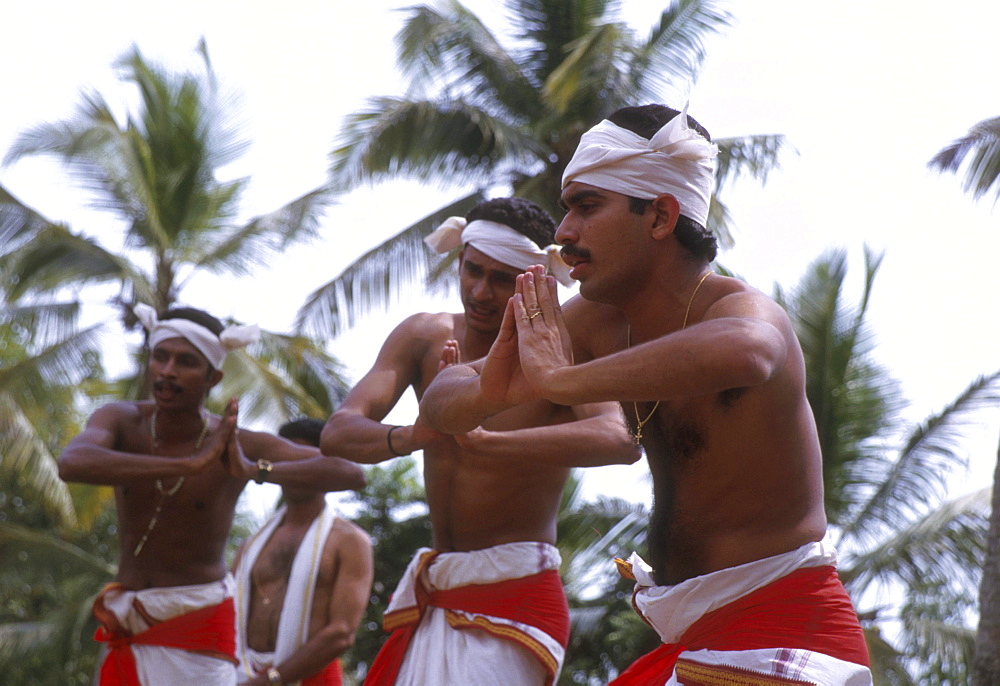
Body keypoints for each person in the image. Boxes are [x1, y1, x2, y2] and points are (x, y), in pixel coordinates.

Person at [419, 105, 874, 684]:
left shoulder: (736, 308)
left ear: (660, 217)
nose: (563, 235)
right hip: (697, 637)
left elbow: (751, 349)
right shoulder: (600, 320)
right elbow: (441, 396)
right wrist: (488, 388)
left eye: (586, 207)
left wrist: (562, 380)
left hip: (783, 629)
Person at [321, 197, 638, 685]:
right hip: (438, 588)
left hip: (515, 591)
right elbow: (338, 433)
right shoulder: (424, 336)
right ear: (460, 258)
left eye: (502, 279)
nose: (481, 291)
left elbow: (618, 438)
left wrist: (488, 442)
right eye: (473, 270)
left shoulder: (554, 350)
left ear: (534, 281)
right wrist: (413, 435)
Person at [58, 304, 366, 686]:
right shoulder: (122, 421)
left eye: (186, 362)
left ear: (213, 377)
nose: (168, 371)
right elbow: (72, 463)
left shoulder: (236, 442)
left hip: (199, 622)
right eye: (160, 357)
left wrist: (254, 470)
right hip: (129, 617)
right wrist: (186, 466)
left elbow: (350, 472)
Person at [232, 418, 373, 686]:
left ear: (328, 468)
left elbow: (341, 633)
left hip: (312, 679)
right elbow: (228, 611)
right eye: (286, 459)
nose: (294, 469)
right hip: (241, 675)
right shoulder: (250, 545)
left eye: (306, 461)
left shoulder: (350, 541)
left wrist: (272, 680)